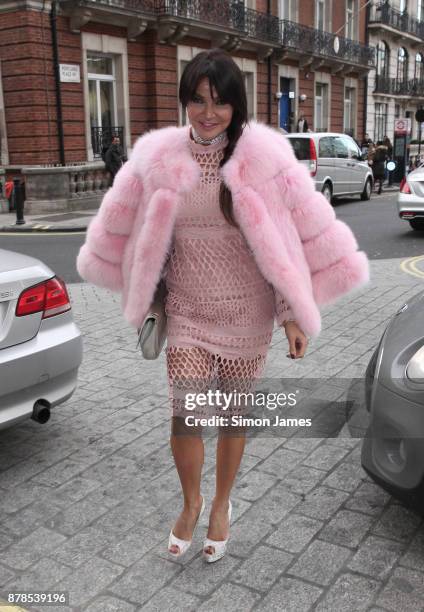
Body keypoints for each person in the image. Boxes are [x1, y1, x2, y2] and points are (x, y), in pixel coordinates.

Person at [76, 49, 369, 564]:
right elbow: (135, 226)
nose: (208, 113)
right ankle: (191, 502)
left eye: (219, 102)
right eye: (197, 100)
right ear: (185, 102)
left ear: (237, 104)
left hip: (248, 313)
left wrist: (291, 315)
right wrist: (142, 283)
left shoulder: (263, 158)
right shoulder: (160, 157)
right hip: (188, 308)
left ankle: (222, 502)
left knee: (234, 415)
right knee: (185, 415)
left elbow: (279, 244)